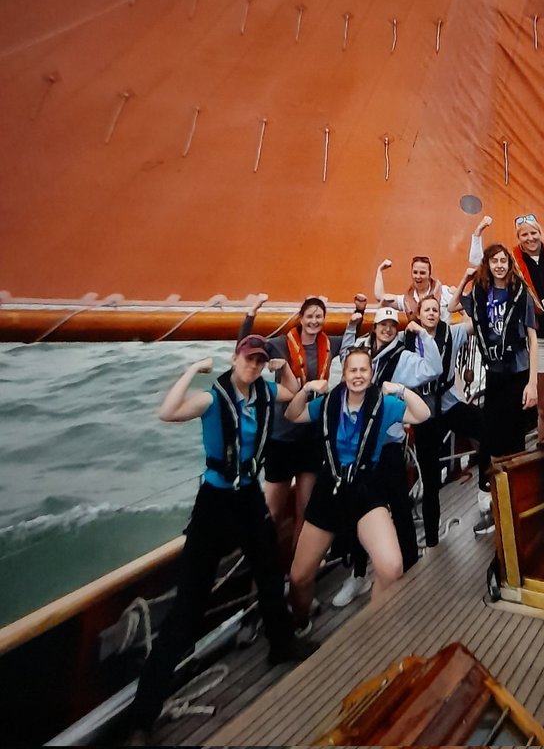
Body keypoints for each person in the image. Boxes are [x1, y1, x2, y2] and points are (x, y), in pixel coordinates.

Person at [128, 337, 307, 739]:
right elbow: (168, 411)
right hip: (214, 502)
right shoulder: (212, 399)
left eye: (260, 360)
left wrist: (283, 367)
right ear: (235, 359)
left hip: (247, 497)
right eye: (250, 359)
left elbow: (293, 392)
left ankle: (282, 645)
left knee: (269, 572)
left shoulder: (264, 389)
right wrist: (192, 368)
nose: (254, 366)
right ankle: (142, 717)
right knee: (187, 608)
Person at [285, 347, 430, 630]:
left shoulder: (384, 404)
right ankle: (300, 624)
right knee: (299, 577)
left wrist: (400, 389)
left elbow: (422, 414)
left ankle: (375, 627)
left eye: (364, 370)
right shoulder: (328, 404)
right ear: (344, 374)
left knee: (391, 567)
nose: (358, 375)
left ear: (372, 374)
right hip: (330, 489)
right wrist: (306, 390)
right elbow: (293, 415)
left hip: (365, 489)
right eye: (353, 370)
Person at [331, 297, 442, 605]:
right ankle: (358, 575)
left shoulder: (404, 359)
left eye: (393, 326)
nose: (388, 330)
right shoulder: (362, 353)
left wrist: (421, 334)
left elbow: (433, 368)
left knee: (400, 507)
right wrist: (353, 323)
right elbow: (344, 356)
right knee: (359, 511)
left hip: (390, 445)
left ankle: (410, 565)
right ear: (375, 327)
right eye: (383, 325)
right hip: (359, 447)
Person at [470, 213, 544, 439]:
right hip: (542, 333)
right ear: (518, 237)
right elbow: (480, 261)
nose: (530, 238)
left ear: (540, 233)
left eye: (533, 232)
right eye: (524, 234)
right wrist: (477, 235)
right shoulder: (512, 262)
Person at [239, 294, 333, 571]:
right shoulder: (280, 344)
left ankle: (296, 577)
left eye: (319, 316)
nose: (315, 321)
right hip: (282, 438)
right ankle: (262, 579)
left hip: (312, 438)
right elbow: (244, 347)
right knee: (273, 513)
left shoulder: (331, 343)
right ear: (301, 318)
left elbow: (358, 340)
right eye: (310, 316)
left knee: (306, 511)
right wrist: (251, 313)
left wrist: (362, 312)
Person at [449, 245, 538, 530]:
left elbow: (533, 340)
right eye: (494, 261)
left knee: (514, 437)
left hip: (518, 371)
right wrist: (466, 278)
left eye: (503, 261)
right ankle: (488, 497)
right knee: (490, 436)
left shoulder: (520, 293)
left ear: (509, 264)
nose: (499, 265)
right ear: (487, 264)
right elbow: (451, 307)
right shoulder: (480, 293)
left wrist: (533, 382)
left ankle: (518, 499)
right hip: (495, 372)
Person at [407, 293, 491, 545]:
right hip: (424, 412)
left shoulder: (452, 334)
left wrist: (471, 294)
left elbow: (476, 323)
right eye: (427, 310)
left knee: (487, 428)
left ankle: (485, 486)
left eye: (435, 309)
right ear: (419, 315)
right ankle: (432, 540)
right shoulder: (407, 340)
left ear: (440, 313)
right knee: (431, 481)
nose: (431, 313)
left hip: (449, 403)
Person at [374, 254, 456, 320]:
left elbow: (466, 308)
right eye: (415, 272)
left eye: (422, 273)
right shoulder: (406, 300)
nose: (418, 276)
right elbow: (380, 297)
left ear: (429, 274)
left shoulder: (444, 292)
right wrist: (379, 270)